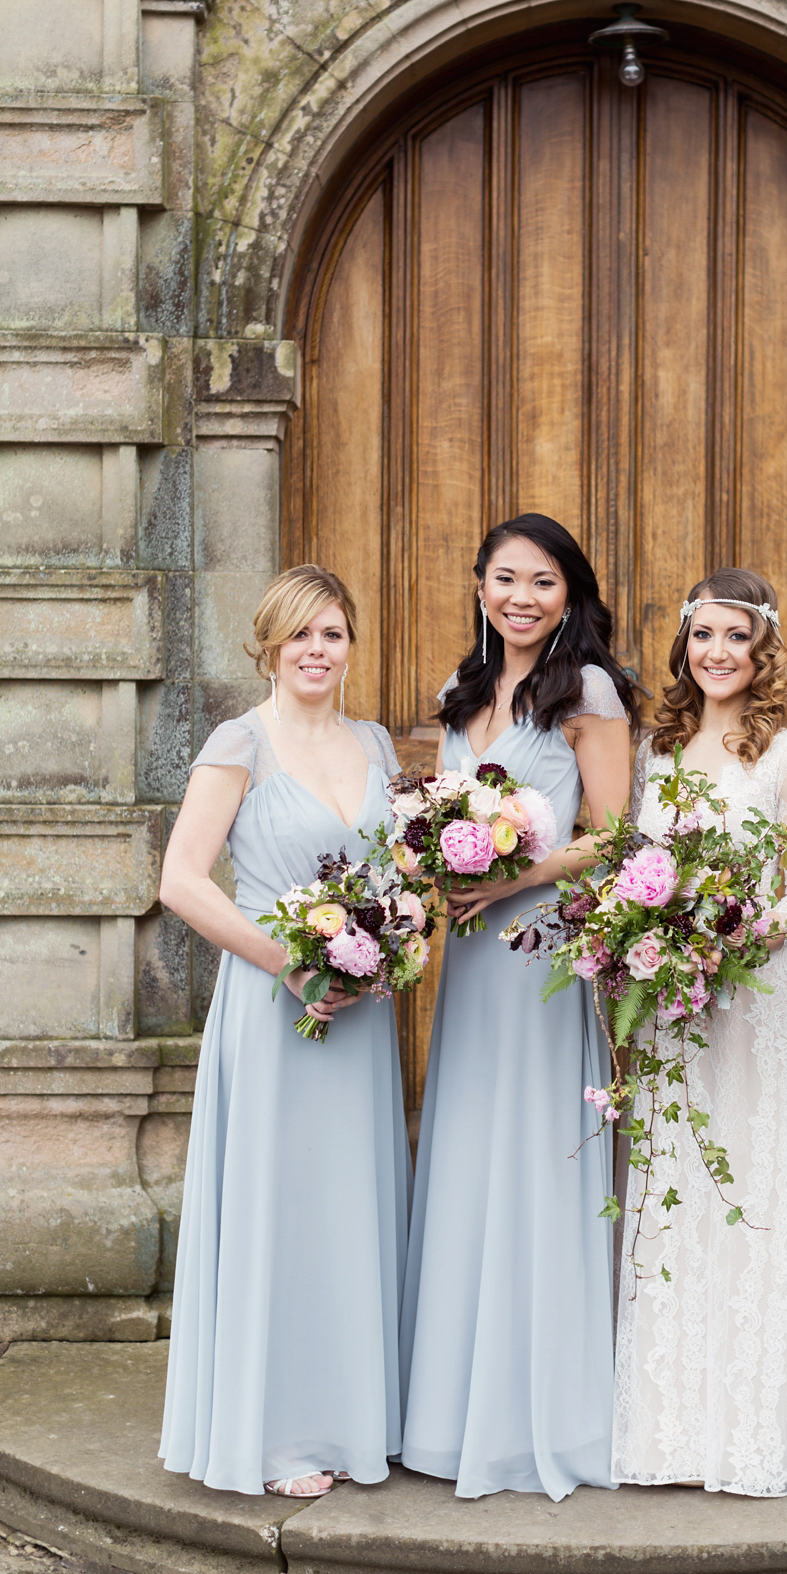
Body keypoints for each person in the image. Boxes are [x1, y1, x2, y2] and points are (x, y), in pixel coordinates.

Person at [399, 513, 637, 1501]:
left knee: (535, 1160)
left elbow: (617, 837)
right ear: (479, 586)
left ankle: (540, 1414)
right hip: (474, 971)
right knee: (471, 1155)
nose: (523, 598)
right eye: (506, 579)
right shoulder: (465, 692)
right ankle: (454, 1411)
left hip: (539, 955)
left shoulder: (586, 691)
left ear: (570, 594)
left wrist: (510, 877)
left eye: (544, 581)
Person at [158, 565, 410, 1497]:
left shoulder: (376, 742)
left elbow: (397, 875)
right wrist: (289, 963)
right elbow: (181, 880)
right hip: (275, 1013)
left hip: (360, 1016)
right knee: (280, 1210)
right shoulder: (240, 742)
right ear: (269, 644)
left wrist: (393, 940)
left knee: (348, 1210)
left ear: (351, 645)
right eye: (300, 633)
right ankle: (275, 1437)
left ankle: (351, 1422)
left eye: (334, 633)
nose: (317, 650)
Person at [611, 569, 787, 1498]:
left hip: (752, 1002)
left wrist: (727, 940)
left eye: (735, 638)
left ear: (761, 649)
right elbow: (635, 866)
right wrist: (655, 939)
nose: (716, 654)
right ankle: (666, 1431)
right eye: (703, 636)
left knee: (752, 1189)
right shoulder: (657, 753)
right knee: (677, 1188)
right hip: (673, 1010)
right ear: (685, 646)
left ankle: (749, 1430)